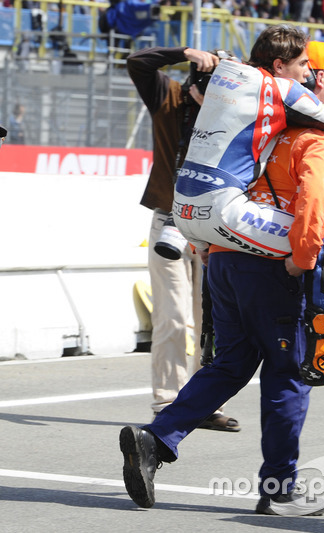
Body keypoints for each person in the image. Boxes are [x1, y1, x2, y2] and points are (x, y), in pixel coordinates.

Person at [119, 38, 324, 518]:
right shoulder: (313, 134)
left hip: (222, 253)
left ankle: (155, 439)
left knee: (230, 364)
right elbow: (312, 203)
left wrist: (208, 246)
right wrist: (303, 258)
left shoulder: (255, 117)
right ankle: (280, 487)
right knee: (289, 373)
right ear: (313, 76)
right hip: (271, 264)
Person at [171, 26, 324, 386]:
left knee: (218, 258)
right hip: (225, 208)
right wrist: (302, 257)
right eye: (303, 66)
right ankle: (323, 355)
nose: (307, 74)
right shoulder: (282, 89)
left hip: (185, 208)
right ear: (281, 65)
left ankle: (211, 345)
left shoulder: (225, 82)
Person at [126, 45, 239, 431]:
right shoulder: (170, 99)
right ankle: (167, 404)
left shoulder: (232, 112)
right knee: (173, 318)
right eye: (210, 88)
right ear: (194, 84)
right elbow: (137, 63)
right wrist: (185, 52)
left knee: (211, 322)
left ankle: (202, 403)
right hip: (168, 222)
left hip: (212, 227)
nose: (216, 100)